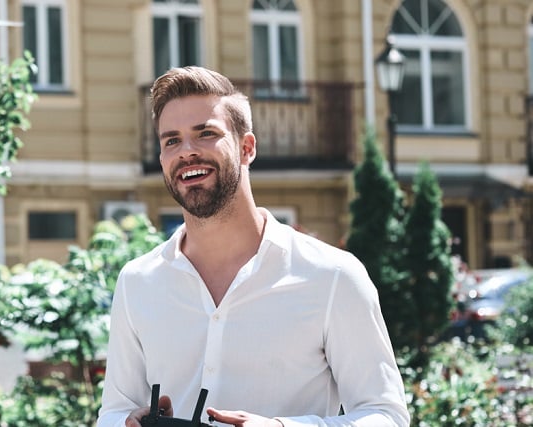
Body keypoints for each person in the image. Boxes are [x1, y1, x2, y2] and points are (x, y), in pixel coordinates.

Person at [96, 66, 410, 427]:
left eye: (205, 134)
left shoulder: (333, 276)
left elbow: (385, 416)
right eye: (172, 141)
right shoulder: (138, 281)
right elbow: (115, 411)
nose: (187, 152)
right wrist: (127, 422)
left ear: (247, 148)